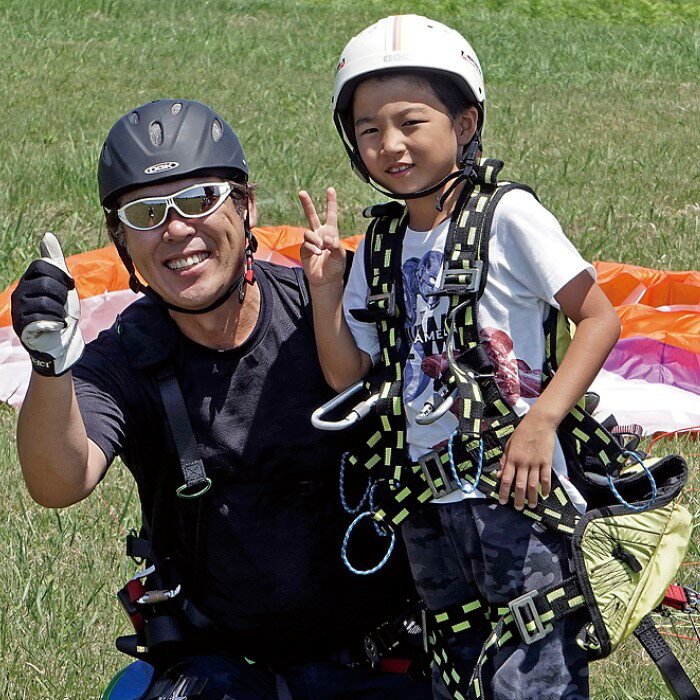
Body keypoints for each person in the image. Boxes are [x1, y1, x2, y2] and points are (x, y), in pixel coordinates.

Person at [10, 99, 431, 699]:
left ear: (247, 206)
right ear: (121, 240)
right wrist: (50, 364)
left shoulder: (330, 315)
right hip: (222, 666)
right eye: (147, 212)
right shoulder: (126, 356)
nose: (178, 228)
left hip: (376, 660)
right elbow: (58, 482)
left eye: (200, 199)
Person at [299, 15, 621, 700]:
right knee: (459, 671)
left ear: (466, 124)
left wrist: (540, 425)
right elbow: (346, 375)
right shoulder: (381, 244)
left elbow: (599, 317)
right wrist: (326, 289)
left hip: (516, 493)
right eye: (369, 130)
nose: (391, 145)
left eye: (411, 122)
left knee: (535, 669)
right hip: (426, 503)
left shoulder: (509, 217)